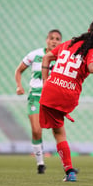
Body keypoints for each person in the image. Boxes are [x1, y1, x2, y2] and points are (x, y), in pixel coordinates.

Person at [39, 18, 93, 182]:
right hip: (68, 95)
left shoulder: (68, 43)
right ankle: (69, 171)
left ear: (88, 29)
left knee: (58, 133)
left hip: (51, 91)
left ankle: (69, 170)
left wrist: (46, 82)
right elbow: (92, 67)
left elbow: (46, 58)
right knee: (60, 132)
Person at [15, 29, 62, 174]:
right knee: (36, 131)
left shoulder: (62, 57)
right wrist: (19, 86)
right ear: (47, 40)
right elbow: (18, 70)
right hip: (36, 97)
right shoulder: (35, 55)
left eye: (57, 39)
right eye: (52, 38)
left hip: (53, 99)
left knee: (58, 132)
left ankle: (67, 166)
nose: (54, 41)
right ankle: (40, 163)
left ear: (60, 42)